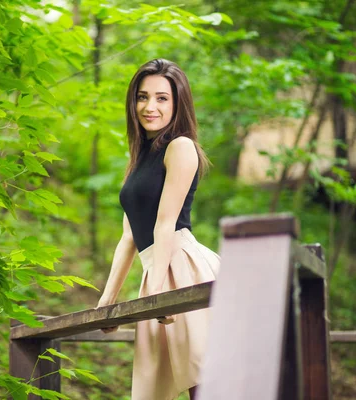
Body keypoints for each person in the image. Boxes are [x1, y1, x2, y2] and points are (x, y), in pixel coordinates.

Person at [96, 58, 221, 400]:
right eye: (142, 96)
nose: (150, 106)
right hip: (156, 271)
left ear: (178, 103)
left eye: (162, 98)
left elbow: (165, 223)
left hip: (181, 267)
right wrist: (107, 300)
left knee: (204, 383)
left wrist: (160, 290)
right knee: (158, 388)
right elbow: (128, 237)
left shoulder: (180, 147)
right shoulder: (138, 157)